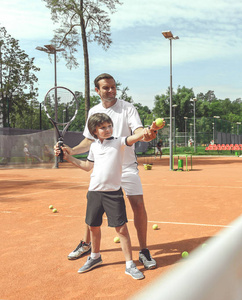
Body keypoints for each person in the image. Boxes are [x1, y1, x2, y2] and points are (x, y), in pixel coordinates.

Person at [58, 73, 164, 270]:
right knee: (93, 207)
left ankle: (143, 250)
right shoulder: (94, 111)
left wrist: (147, 134)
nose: (111, 90)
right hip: (103, 166)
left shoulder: (127, 108)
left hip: (127, 166)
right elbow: (89, 140)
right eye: (106, 87)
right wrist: (72, 151)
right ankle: (86, 244)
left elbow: (138, 131)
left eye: (113, 87)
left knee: (138, 205)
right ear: (97, 90)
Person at [62, 113, 149, 279]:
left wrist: (144, 132)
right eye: (103, 127)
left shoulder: (118, 142)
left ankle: (130, 264)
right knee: (93, 227)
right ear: (94, 131)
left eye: (109, 126)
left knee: (121, 229)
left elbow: (132, 138)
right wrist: (68, 157)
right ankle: (95, 256)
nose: (108, 129)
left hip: (113, 194)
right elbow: (87, 166)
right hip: (94, 192)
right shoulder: (94, 146)